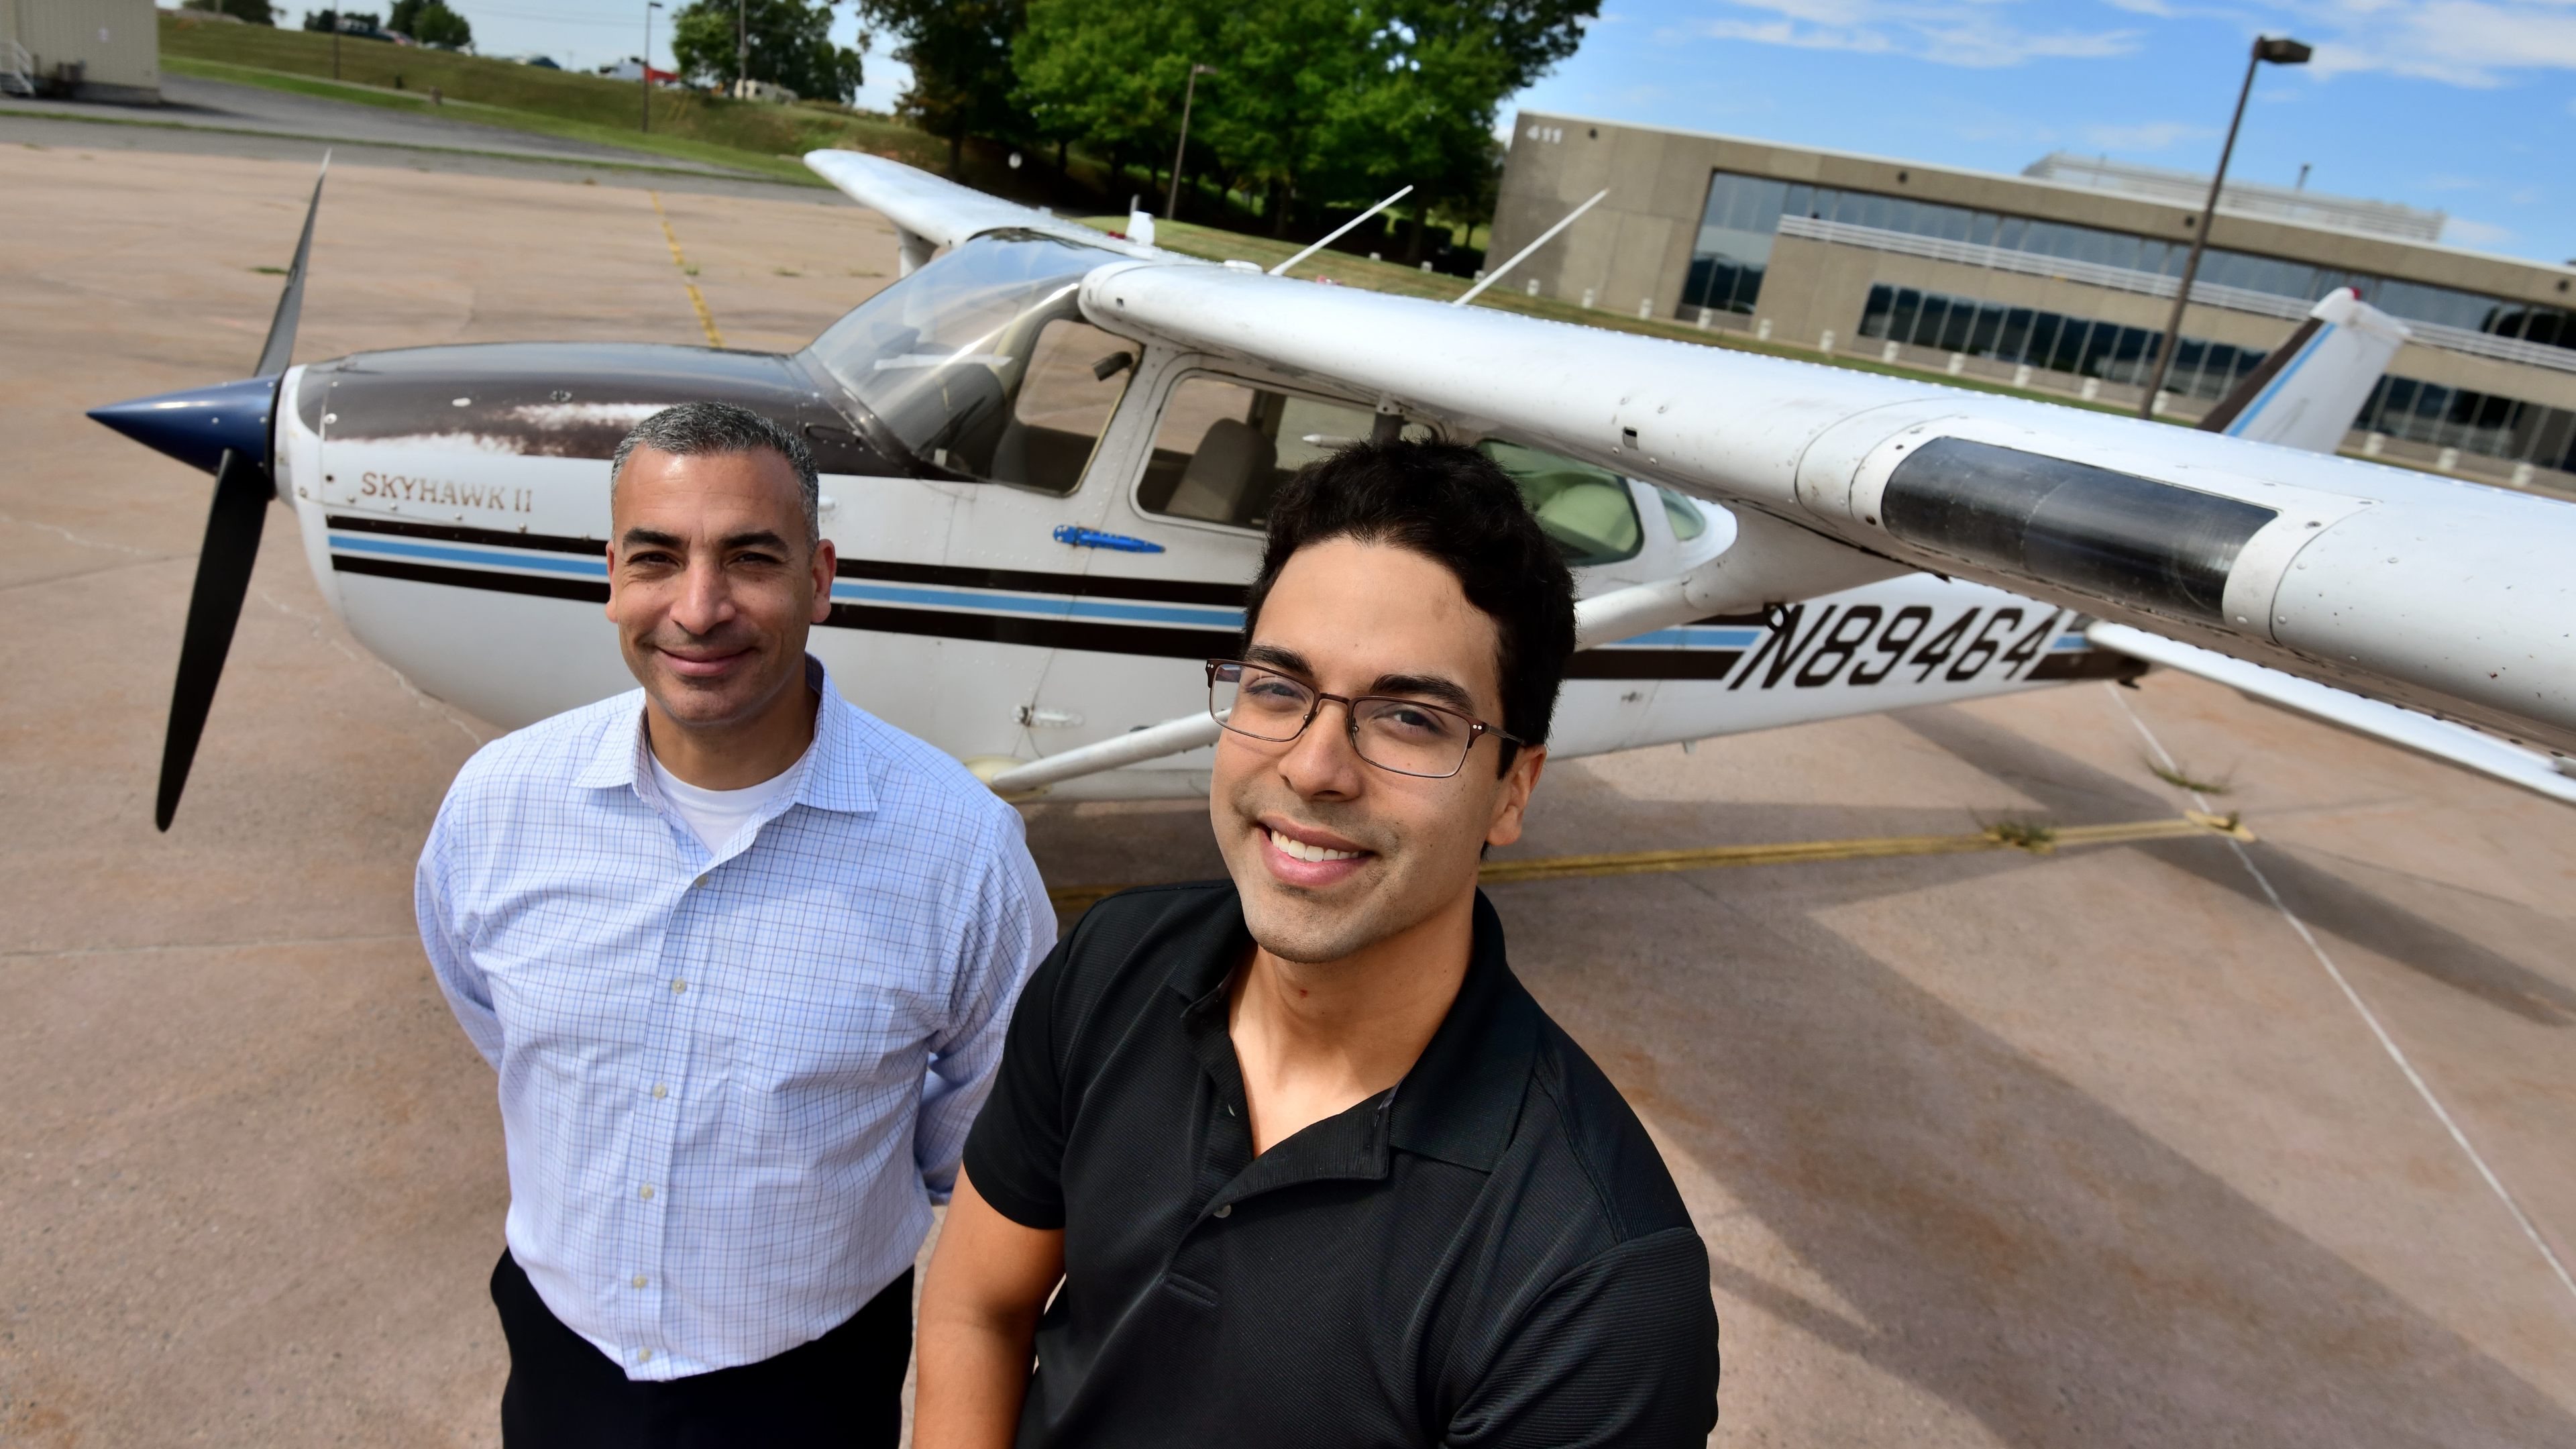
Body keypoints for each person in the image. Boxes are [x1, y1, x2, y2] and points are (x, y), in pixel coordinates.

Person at [916, 439, 1720, 1447]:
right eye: (1277, 688)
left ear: (1513, 789)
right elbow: (977, 1310)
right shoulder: (1110, 962)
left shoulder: (1596, 1279)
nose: (1315, 767)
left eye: (1410, 718)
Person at [415, 401, 1054, 1447]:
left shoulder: (964, 855)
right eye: (657, 558)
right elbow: (496, 1018)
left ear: (820, 580)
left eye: (750, 559)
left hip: (805, 1384)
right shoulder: (497, 803)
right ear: (611, 574)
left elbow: (982, 1134)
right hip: (561, 1350)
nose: (699, 608)